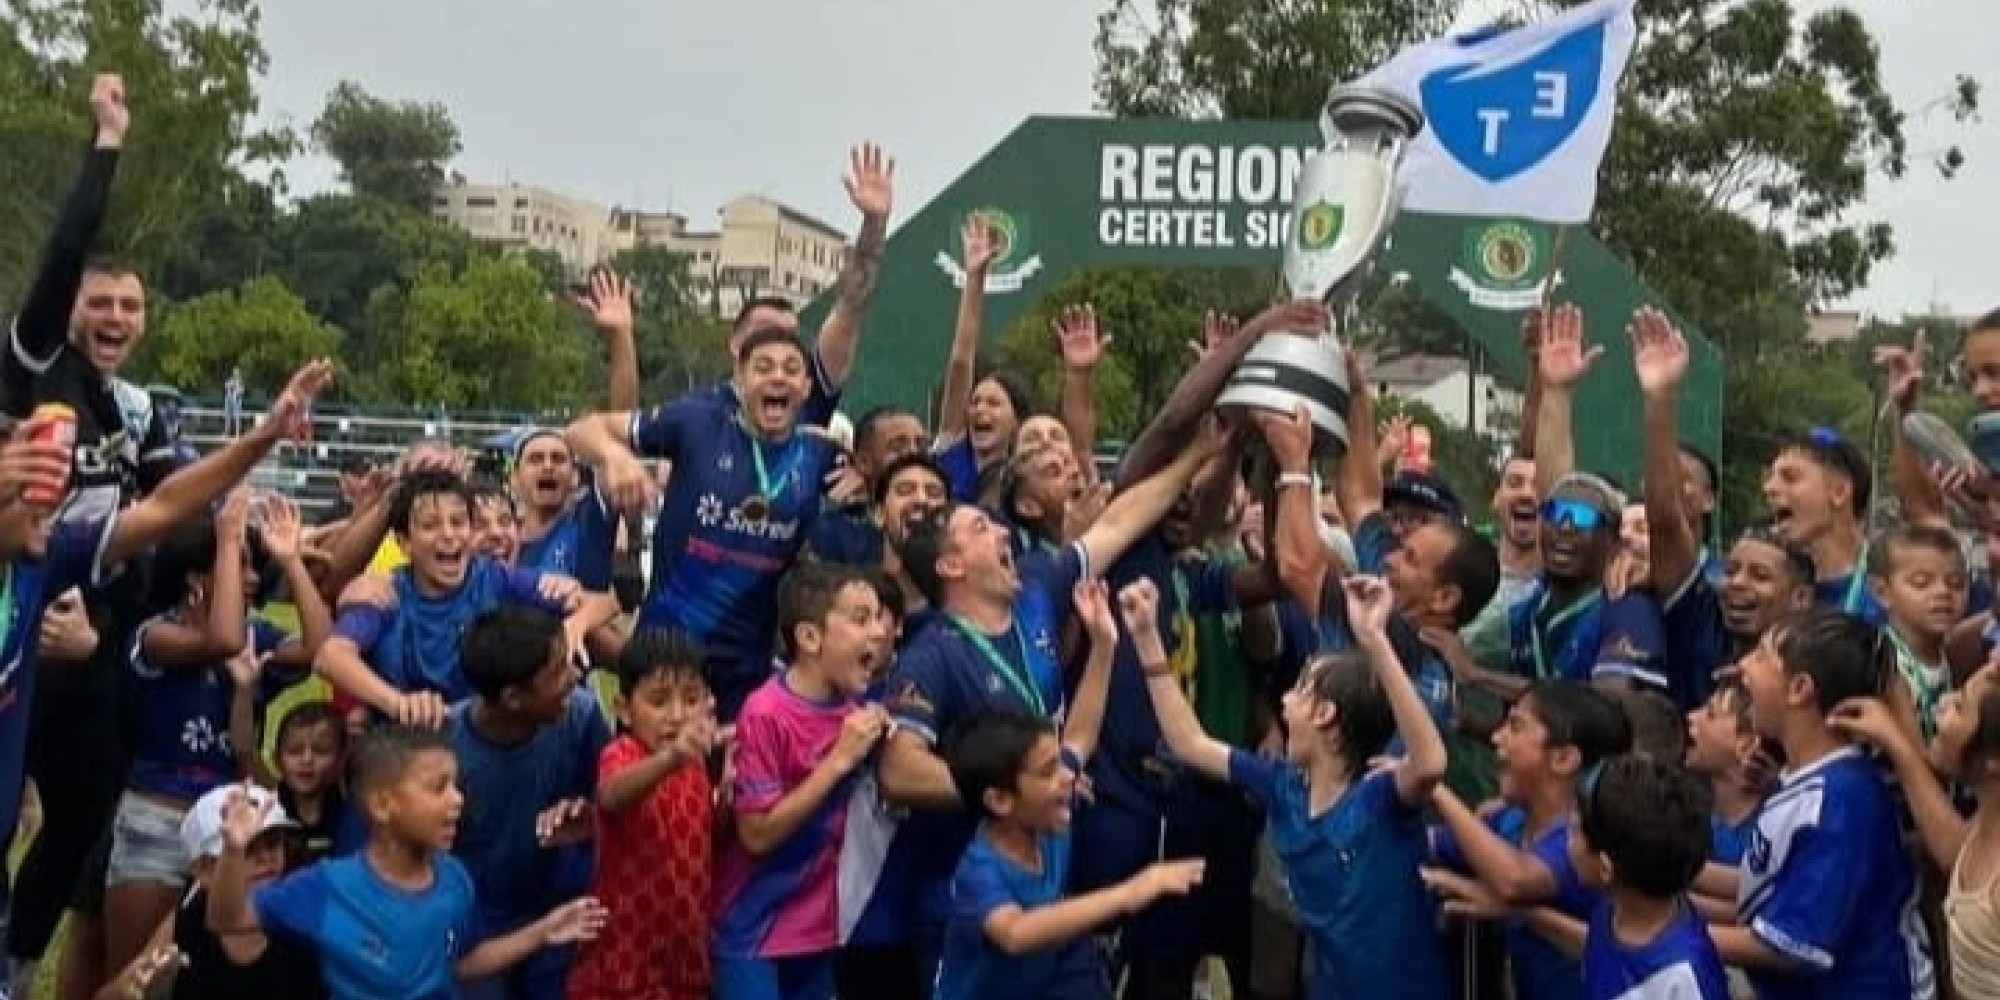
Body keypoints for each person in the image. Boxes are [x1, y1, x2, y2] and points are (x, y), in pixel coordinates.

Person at [1133, 573, 1451, 999]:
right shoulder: (1283, 785)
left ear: (1324, 716)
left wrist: (1375, 640)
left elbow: (1429, 763)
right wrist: (1147, 641)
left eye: (1299, 690)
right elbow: (1189, 743)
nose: (1283, 701)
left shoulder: (1380, 797)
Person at [935, 581, 1201, 1000]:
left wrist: (1104, 645)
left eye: (1060, 764)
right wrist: (1133, 891)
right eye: (1048, 771)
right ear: (1000, 799)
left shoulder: (1047, 815)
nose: (1067, 776)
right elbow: (1016, 933)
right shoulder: (977, 867)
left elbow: (1080, 735)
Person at [204, 729, 609, 1000]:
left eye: (456, 786)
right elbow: (228, 919)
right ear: (382, 805)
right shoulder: (326, 887)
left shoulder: (454, 878)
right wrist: (233, 849)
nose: (457, 800)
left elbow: (458, 964)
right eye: (438, 788)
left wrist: (544, 931)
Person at [1710, 609, 1935, 998]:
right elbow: (1765, 885)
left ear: (1799, 689)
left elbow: (1788, 947)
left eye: (1762, 656)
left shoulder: (1840, 803)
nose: (1744, 665)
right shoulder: (1808, 779)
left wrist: (1667, 934)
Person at [312, 470, 611, 726]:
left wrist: (577, 624)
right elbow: (330, 657)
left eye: (459, 522)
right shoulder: (385, 592)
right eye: (430, 525)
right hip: (410, 744)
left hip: (489, 736)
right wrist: (398, 703)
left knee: (582, 706)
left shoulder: (496, 578)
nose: (449, 534)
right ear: (404, 543)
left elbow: (602, 602)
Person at [1426, 681, 1632, 1000]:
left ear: (1563, 758)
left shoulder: (1584, 839)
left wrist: (1433, 787)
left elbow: (1516, 880)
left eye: (1515, 726)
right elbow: (1438, 842)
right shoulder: (1510, 820)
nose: (1497, 737)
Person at [447, 606, 611, 1000]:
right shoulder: (444, 747)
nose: (574, 677)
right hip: (477, 928)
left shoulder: (582, 717)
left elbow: (613, 801)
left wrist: (589, 817)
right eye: (557, 672)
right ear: (513, 698)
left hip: (559, 912)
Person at [1831, 664, 2000, 996]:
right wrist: (1897, 735)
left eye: (1961, 707)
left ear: (1993, 762)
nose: (1943, 704)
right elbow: (1956, 851)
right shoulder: (1987, 819)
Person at [568, 629, 717, 1000]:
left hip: (684, 965)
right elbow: (612, 795)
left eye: (691, 700)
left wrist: (727, 794)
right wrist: (671, 759)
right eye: (659, 701)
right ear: (623, 709)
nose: (677, 715)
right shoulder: (623, 753)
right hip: (621, 968)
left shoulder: (698, 764)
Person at [92, 782, 324, 1000]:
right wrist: (132, 987)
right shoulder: (189, 916)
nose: (266, 858)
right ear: (204, 870)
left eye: (273, 842)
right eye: (249, 848)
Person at [223, 367, 244, 438]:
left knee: (237, 417)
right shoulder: (230, 380)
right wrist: (230, 385)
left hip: (236, 401)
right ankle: (227, 433)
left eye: (237, 372)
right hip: (229, 400)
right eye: (234, 372)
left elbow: (241, 391)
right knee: (227, 416)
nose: (235, 373)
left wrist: (237, 389)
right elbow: (226, 386)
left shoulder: (240, 381)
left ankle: (237, 433)